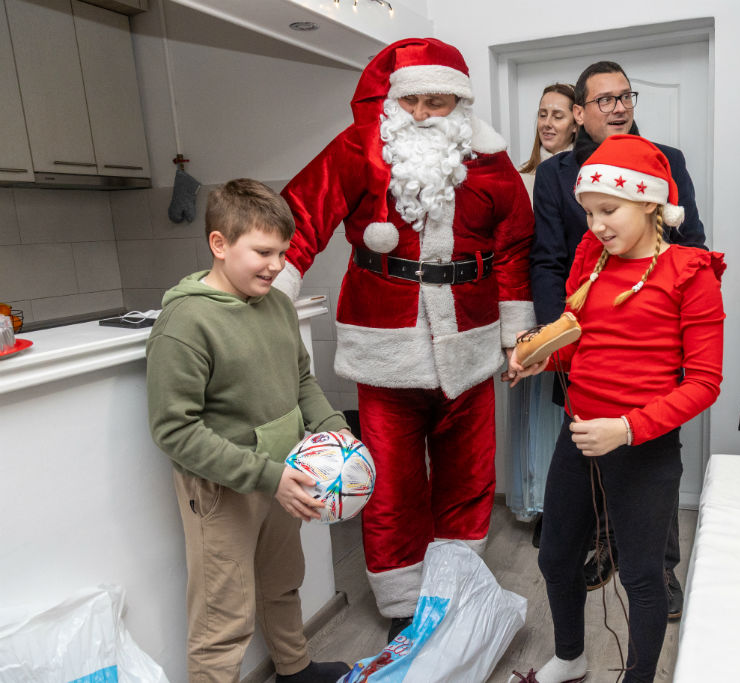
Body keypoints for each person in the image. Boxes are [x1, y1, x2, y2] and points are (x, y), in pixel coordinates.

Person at [273, 38, 535, 641]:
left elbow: (515, 246)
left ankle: (455, 587)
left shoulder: (490, 162)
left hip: (470, 343)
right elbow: (301, 215)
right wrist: (271, 288)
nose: (419, 113)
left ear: (459, 101)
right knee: (392, 484)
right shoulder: (357, 148)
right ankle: (401, 604)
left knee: (468, 476)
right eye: (410, 100)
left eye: (434, 101)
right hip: (384, 345)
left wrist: (515, 334)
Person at [507, 134, 725, 683]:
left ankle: (639, 677)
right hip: (579, 435)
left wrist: (626, 429)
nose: (596, 225)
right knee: (556, 557)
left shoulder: (691, 272)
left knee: (642, 577)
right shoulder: (591, 259)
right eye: (588, 212)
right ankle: (570, 658)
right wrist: (545, 358)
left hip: (643, 446)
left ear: (649, 202)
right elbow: (585, 342)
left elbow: (704, 383)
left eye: (609, 210)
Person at [146, 179, 352, 683]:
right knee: (224, 616)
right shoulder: (186, 322)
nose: (277, 265)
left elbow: (300, 379)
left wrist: (334, 430)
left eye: (282, 252)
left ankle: (295, 669)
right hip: (223, 489)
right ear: (219, 244)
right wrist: (266, 476)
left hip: (284, 474)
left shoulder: (277, 305)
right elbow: (175, 431)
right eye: (263, 252)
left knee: (283, 581)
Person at [531, 59, 706, 614]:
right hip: (583, 347)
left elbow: (691, 246)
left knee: (653, 463)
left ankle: (659, 569)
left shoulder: (666, 161)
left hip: (651, 351)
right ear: (580, 112)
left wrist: (666, 326)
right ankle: (604, 545)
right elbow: (548, 261)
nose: (618, 107)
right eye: (604, 99)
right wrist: (558, 337)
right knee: (585, 455)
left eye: (625, 96)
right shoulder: (556, 175)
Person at [506, 82, 577, 538]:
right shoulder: (522, 175)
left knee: (561, 408)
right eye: (542, 113)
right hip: (527, 306)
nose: (547, 123)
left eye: (558, 114)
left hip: (564, 307)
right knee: (531, 409)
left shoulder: (579, 174)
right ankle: (536, 501)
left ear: (577, 121)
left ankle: (561, 508)